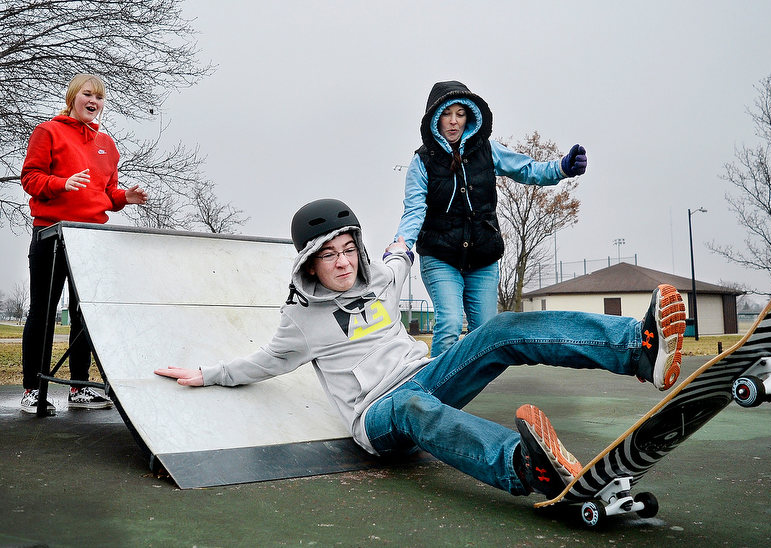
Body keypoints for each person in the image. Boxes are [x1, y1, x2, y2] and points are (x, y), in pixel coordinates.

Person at [155, 199, 686, 501]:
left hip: (427, 374)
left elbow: (401, 254)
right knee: (414, 408)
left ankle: (637, 350)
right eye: (328, 257)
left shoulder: (379, 276)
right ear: (309, 264)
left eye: (347, 251)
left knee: (498, 332)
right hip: (378, 415)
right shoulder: (299, 321)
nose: (342, 264)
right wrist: (208, 374)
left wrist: (407, 235)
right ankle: (524, 467)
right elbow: (264, 362)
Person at [394, 80, 589, 357]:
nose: (453, 122)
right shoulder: (421, 163)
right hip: (440, 257)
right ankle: (432, 390)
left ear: (469, 117)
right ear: (435, 119)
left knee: (486, 333)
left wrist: (561, 167)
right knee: (449, 323)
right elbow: (413, 210)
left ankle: (468, 386)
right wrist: (400, 246)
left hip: (482, 258)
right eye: (447, 115)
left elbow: (527, 169)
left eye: (460, 114)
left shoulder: (487, 150)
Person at [19, 73, 148, 414]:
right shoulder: (48, 132)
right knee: (43, 312)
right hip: (53, 233)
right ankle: (33, 389)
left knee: (85, 312)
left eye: (100, 97)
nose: (94, 101)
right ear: (73, 97)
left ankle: (79, 388)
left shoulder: (108, 145)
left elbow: (107, 194)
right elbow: (31, 179)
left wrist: (124, 197)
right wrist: (62, 183)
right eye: (88, 94)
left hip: (92, 239)